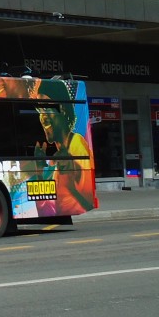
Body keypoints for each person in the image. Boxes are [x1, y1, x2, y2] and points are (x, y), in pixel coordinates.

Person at [33, 78, 95, 215]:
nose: (42, 117)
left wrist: (71, 186)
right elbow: (47, 210)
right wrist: (39, 172)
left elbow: (88, 201)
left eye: (46, 107)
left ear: (62, 109)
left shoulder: (77, 146)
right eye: (39, 110)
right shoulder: (59, 156)